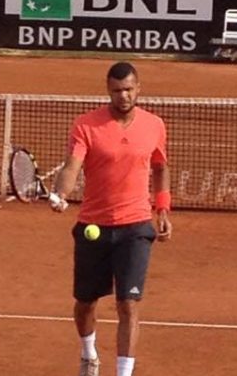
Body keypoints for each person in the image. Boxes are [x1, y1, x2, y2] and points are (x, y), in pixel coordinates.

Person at [49, 61, 173, 376]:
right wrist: (61, 194)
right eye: (117, 90)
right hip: (94, 225)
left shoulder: (154, 125)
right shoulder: (85, 125)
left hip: (136, 226)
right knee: (86, 303)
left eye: (129, 89)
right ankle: (89, 354)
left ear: (138, 89)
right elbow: (72, 166)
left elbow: (160, 167)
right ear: (108, 90)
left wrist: (163, 207)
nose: (123, 96)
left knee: (128, 305)